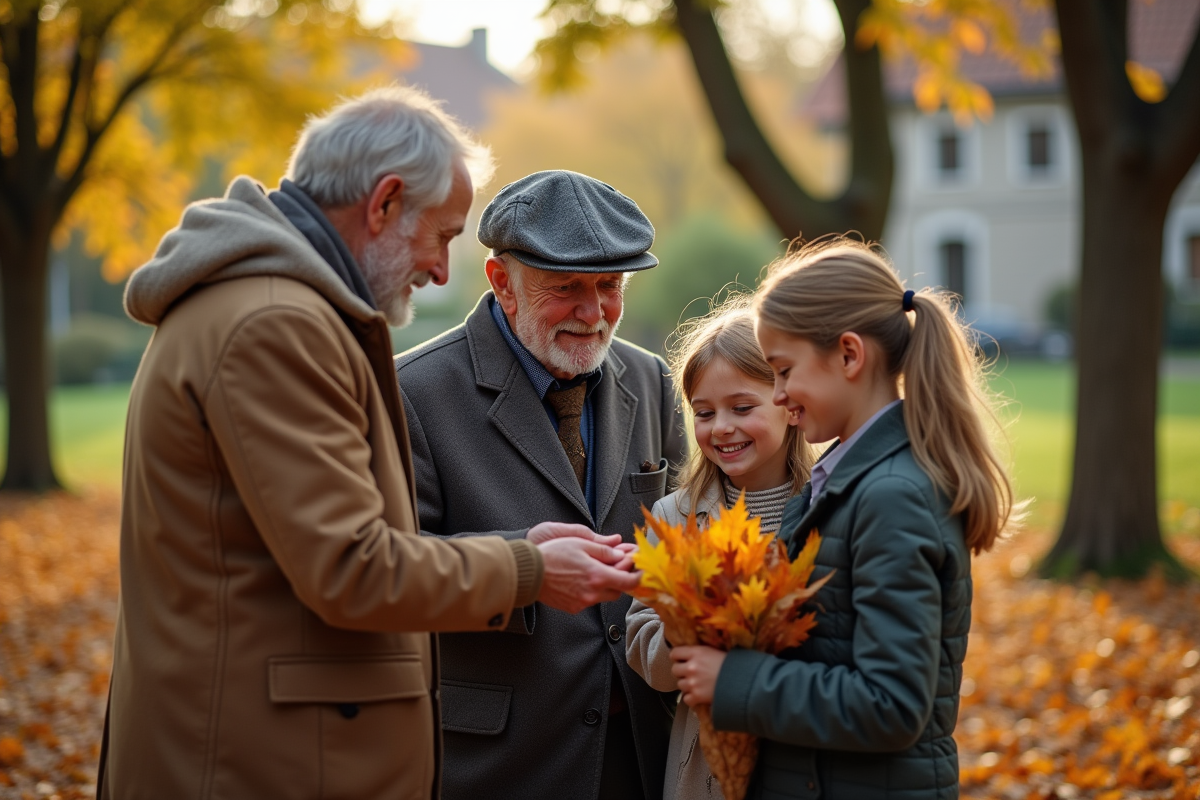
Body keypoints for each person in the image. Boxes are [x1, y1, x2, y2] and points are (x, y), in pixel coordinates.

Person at [99, 88, 641, 800]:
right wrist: (529, 567)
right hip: (256, 763)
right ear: (384, 204)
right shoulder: (273, 326)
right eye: (443, 235)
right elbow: (351, 567)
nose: (443, 271)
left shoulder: (272, 309)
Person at [669, 237, 1019, 800]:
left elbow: (892, 704)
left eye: (784, 371)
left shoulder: (892, 496)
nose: (779, 395)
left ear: (850, 356)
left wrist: (733, 681)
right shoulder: (845, 482)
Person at [394, 169, 689, 800]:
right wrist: (526, 568)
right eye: (566, 289)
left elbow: (695, 530)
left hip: (645, 755)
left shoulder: (652, 380)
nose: (593, 313)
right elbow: (389, 578)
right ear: (501, 282)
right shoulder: (410, 394)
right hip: (498, 765)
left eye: (610, 286)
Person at [625, 300, 815, 800]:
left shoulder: (828, 508)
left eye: (742, 408)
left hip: (804, 755)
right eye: (704, 414)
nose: (721, 428)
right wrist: (686, 627)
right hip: (706, 769)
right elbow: (642, 642)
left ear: (789, 402)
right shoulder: (674, 518)